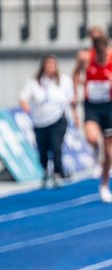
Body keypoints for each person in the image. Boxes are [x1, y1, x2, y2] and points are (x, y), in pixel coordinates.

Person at [72, 26, 112, 201]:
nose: (102, 57)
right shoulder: (85, 58)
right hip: (92, 106)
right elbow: (75, 75)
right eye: (99, 53)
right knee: (92, 138)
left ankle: (104, 185)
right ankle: (96, 155)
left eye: (104, 53)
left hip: (108, 108)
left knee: (109, 152)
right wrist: (76, 91)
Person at [19, 54, 72, 189]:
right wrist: (25, 107)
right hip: (40, 121)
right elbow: (23, 97)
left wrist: (73, 117)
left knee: (56, 147)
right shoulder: (34, 82)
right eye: (47, 65)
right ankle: (45, 170)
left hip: (57, 119)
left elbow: (70, 100)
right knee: (43, 150)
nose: (50, 68)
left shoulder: (64, 81)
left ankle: (57, 173)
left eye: (52, 65)